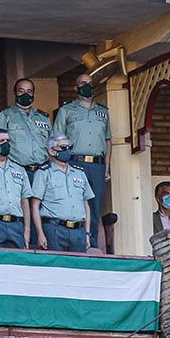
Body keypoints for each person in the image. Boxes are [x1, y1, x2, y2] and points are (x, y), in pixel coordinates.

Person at [51, 74, 110, 250]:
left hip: (97, 165)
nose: (87, 86)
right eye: (83, 83)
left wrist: (106, 168)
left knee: (95, 207)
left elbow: (108, 140)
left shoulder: (103, 112)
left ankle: (90, 245)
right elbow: (56, 139)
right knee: (76, 204)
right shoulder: (67, 110)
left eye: (90, 84)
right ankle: (77, 242)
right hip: (75, 163)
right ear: (76, 88)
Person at [30, 136, 93, 251]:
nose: (67, 150)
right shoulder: (43, 173)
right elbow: (35, 206)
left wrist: (87, 233)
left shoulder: (79, 173)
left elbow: (86, 205)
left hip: (78, 231)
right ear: (51, 151)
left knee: (78, 267)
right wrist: (40, 233)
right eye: (63, 147)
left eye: (69, 147)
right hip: (54, 229)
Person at [0, 79, 50, 180]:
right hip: (15, 172)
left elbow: (51, 145)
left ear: (33, 94)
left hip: (42, 173)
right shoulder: (4, 115)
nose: (25, 94)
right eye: (21, 91)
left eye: (29, 91)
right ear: (15, 93)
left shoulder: (43, 118)